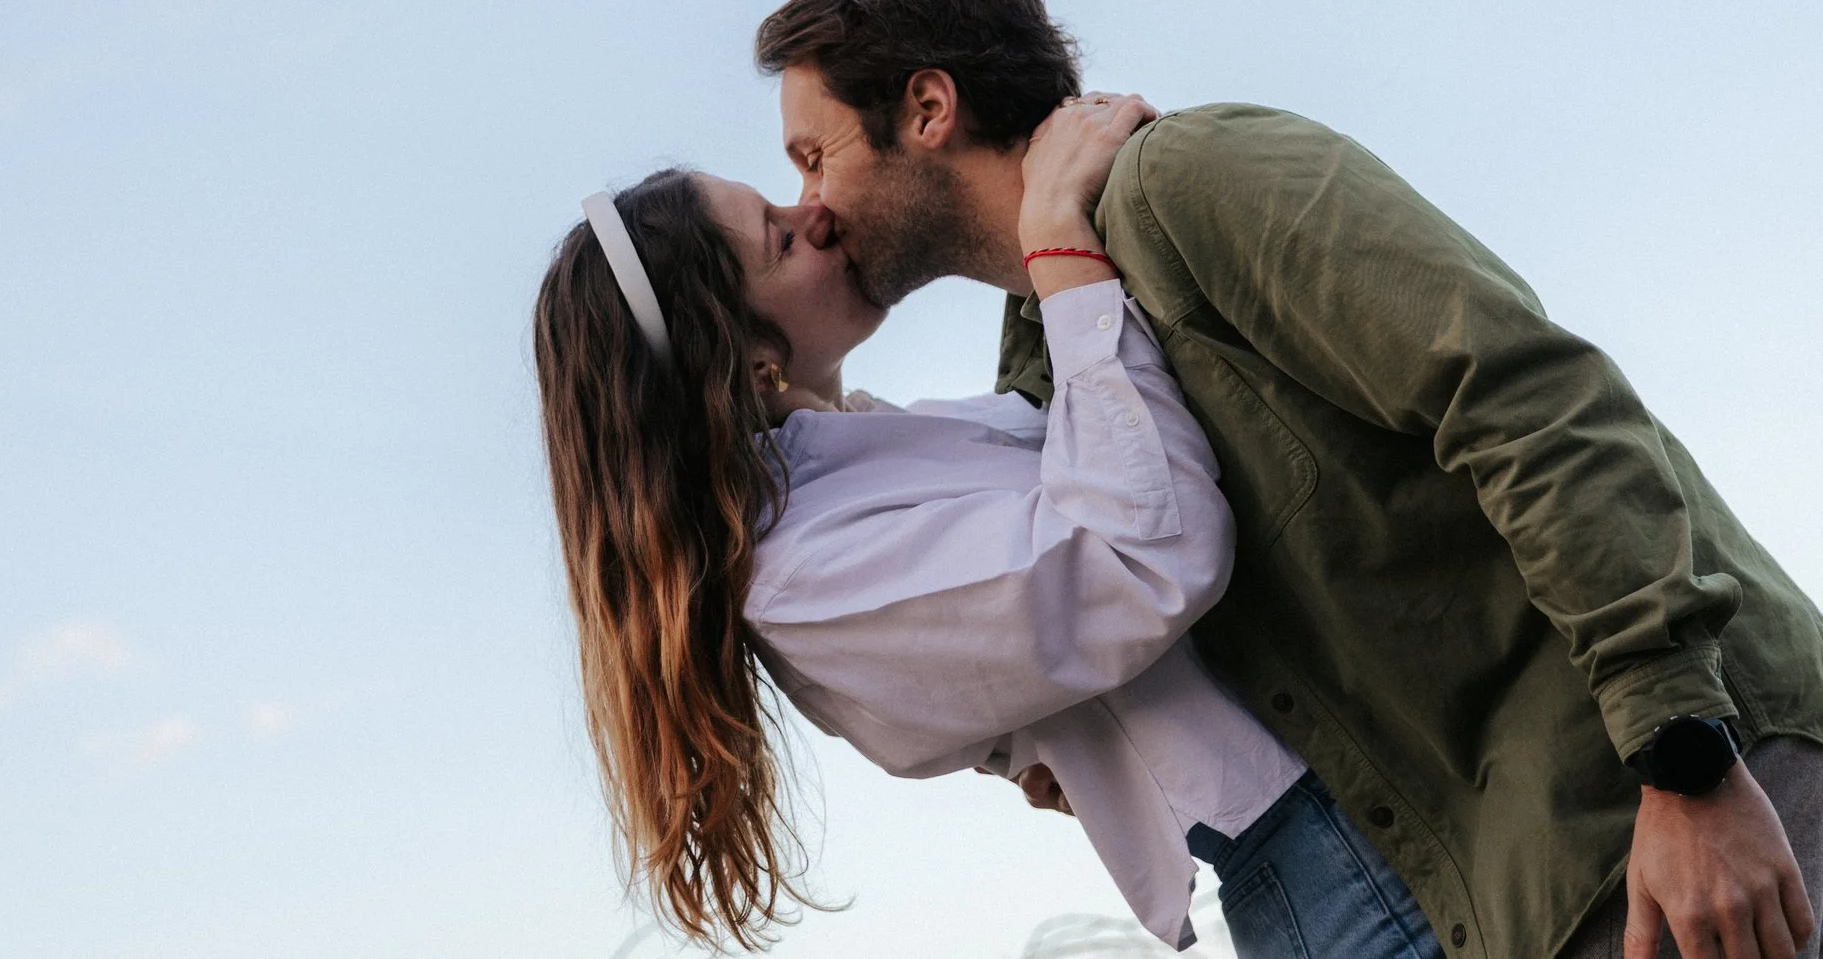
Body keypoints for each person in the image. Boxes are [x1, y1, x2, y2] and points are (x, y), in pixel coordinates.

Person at [753, 0, 1823, 959]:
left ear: (928, 105)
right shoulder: (1055, 348)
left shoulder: (1186, 180)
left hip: (1648, 766)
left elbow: (1526, 392)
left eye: (816, 153)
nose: (810, 203)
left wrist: (1682, 754)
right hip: (1523, 838)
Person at [533, 96, 1446, 957]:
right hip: (1338, 859)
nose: (812, 213)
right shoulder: (804, 578)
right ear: (748, 357)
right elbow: (1142, 558)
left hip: (1380, 783)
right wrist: (1057, 247)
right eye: (777, 238)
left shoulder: (871, 454)